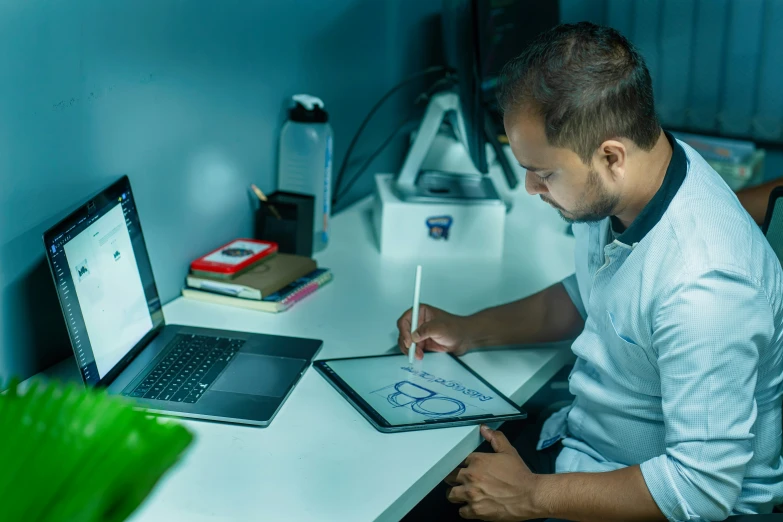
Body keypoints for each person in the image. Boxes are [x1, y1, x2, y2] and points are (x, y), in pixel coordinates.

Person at [397, 22, 783, 522]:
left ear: (610, 156)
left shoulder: (705, 285)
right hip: (588, 455)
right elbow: (593, 295)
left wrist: (530, 496)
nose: (533, 189)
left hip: (663, 502)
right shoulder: (641, 176)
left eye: (545, 172)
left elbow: (699, 490)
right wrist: (472, 328)